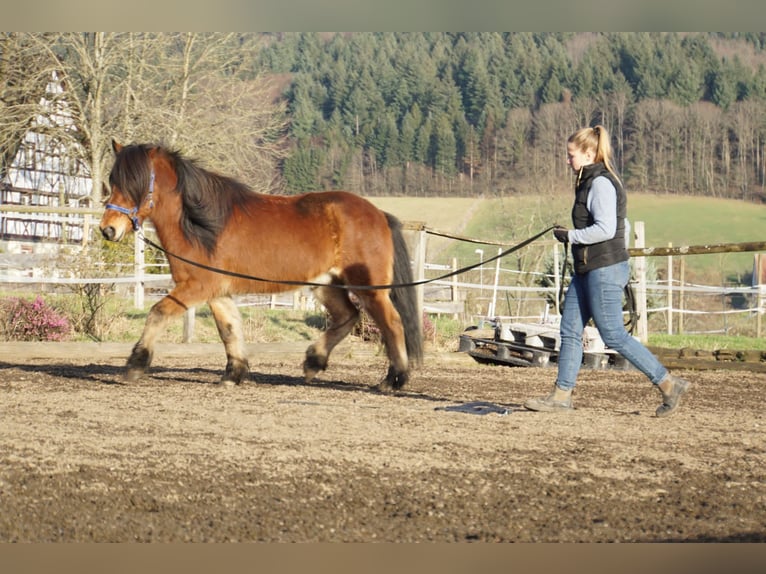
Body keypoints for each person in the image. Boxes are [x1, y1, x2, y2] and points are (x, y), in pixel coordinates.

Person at [524, 124, 690, 417]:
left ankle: (667, 383)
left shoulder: (600, 183)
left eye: (571, 155)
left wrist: (571, 236)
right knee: (570, 330)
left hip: (605, 268)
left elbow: (606, 229)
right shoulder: (586, 180)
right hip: (587, 269)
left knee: (613, 334)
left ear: (589, 153)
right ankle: (561, 396)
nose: (567, 160)